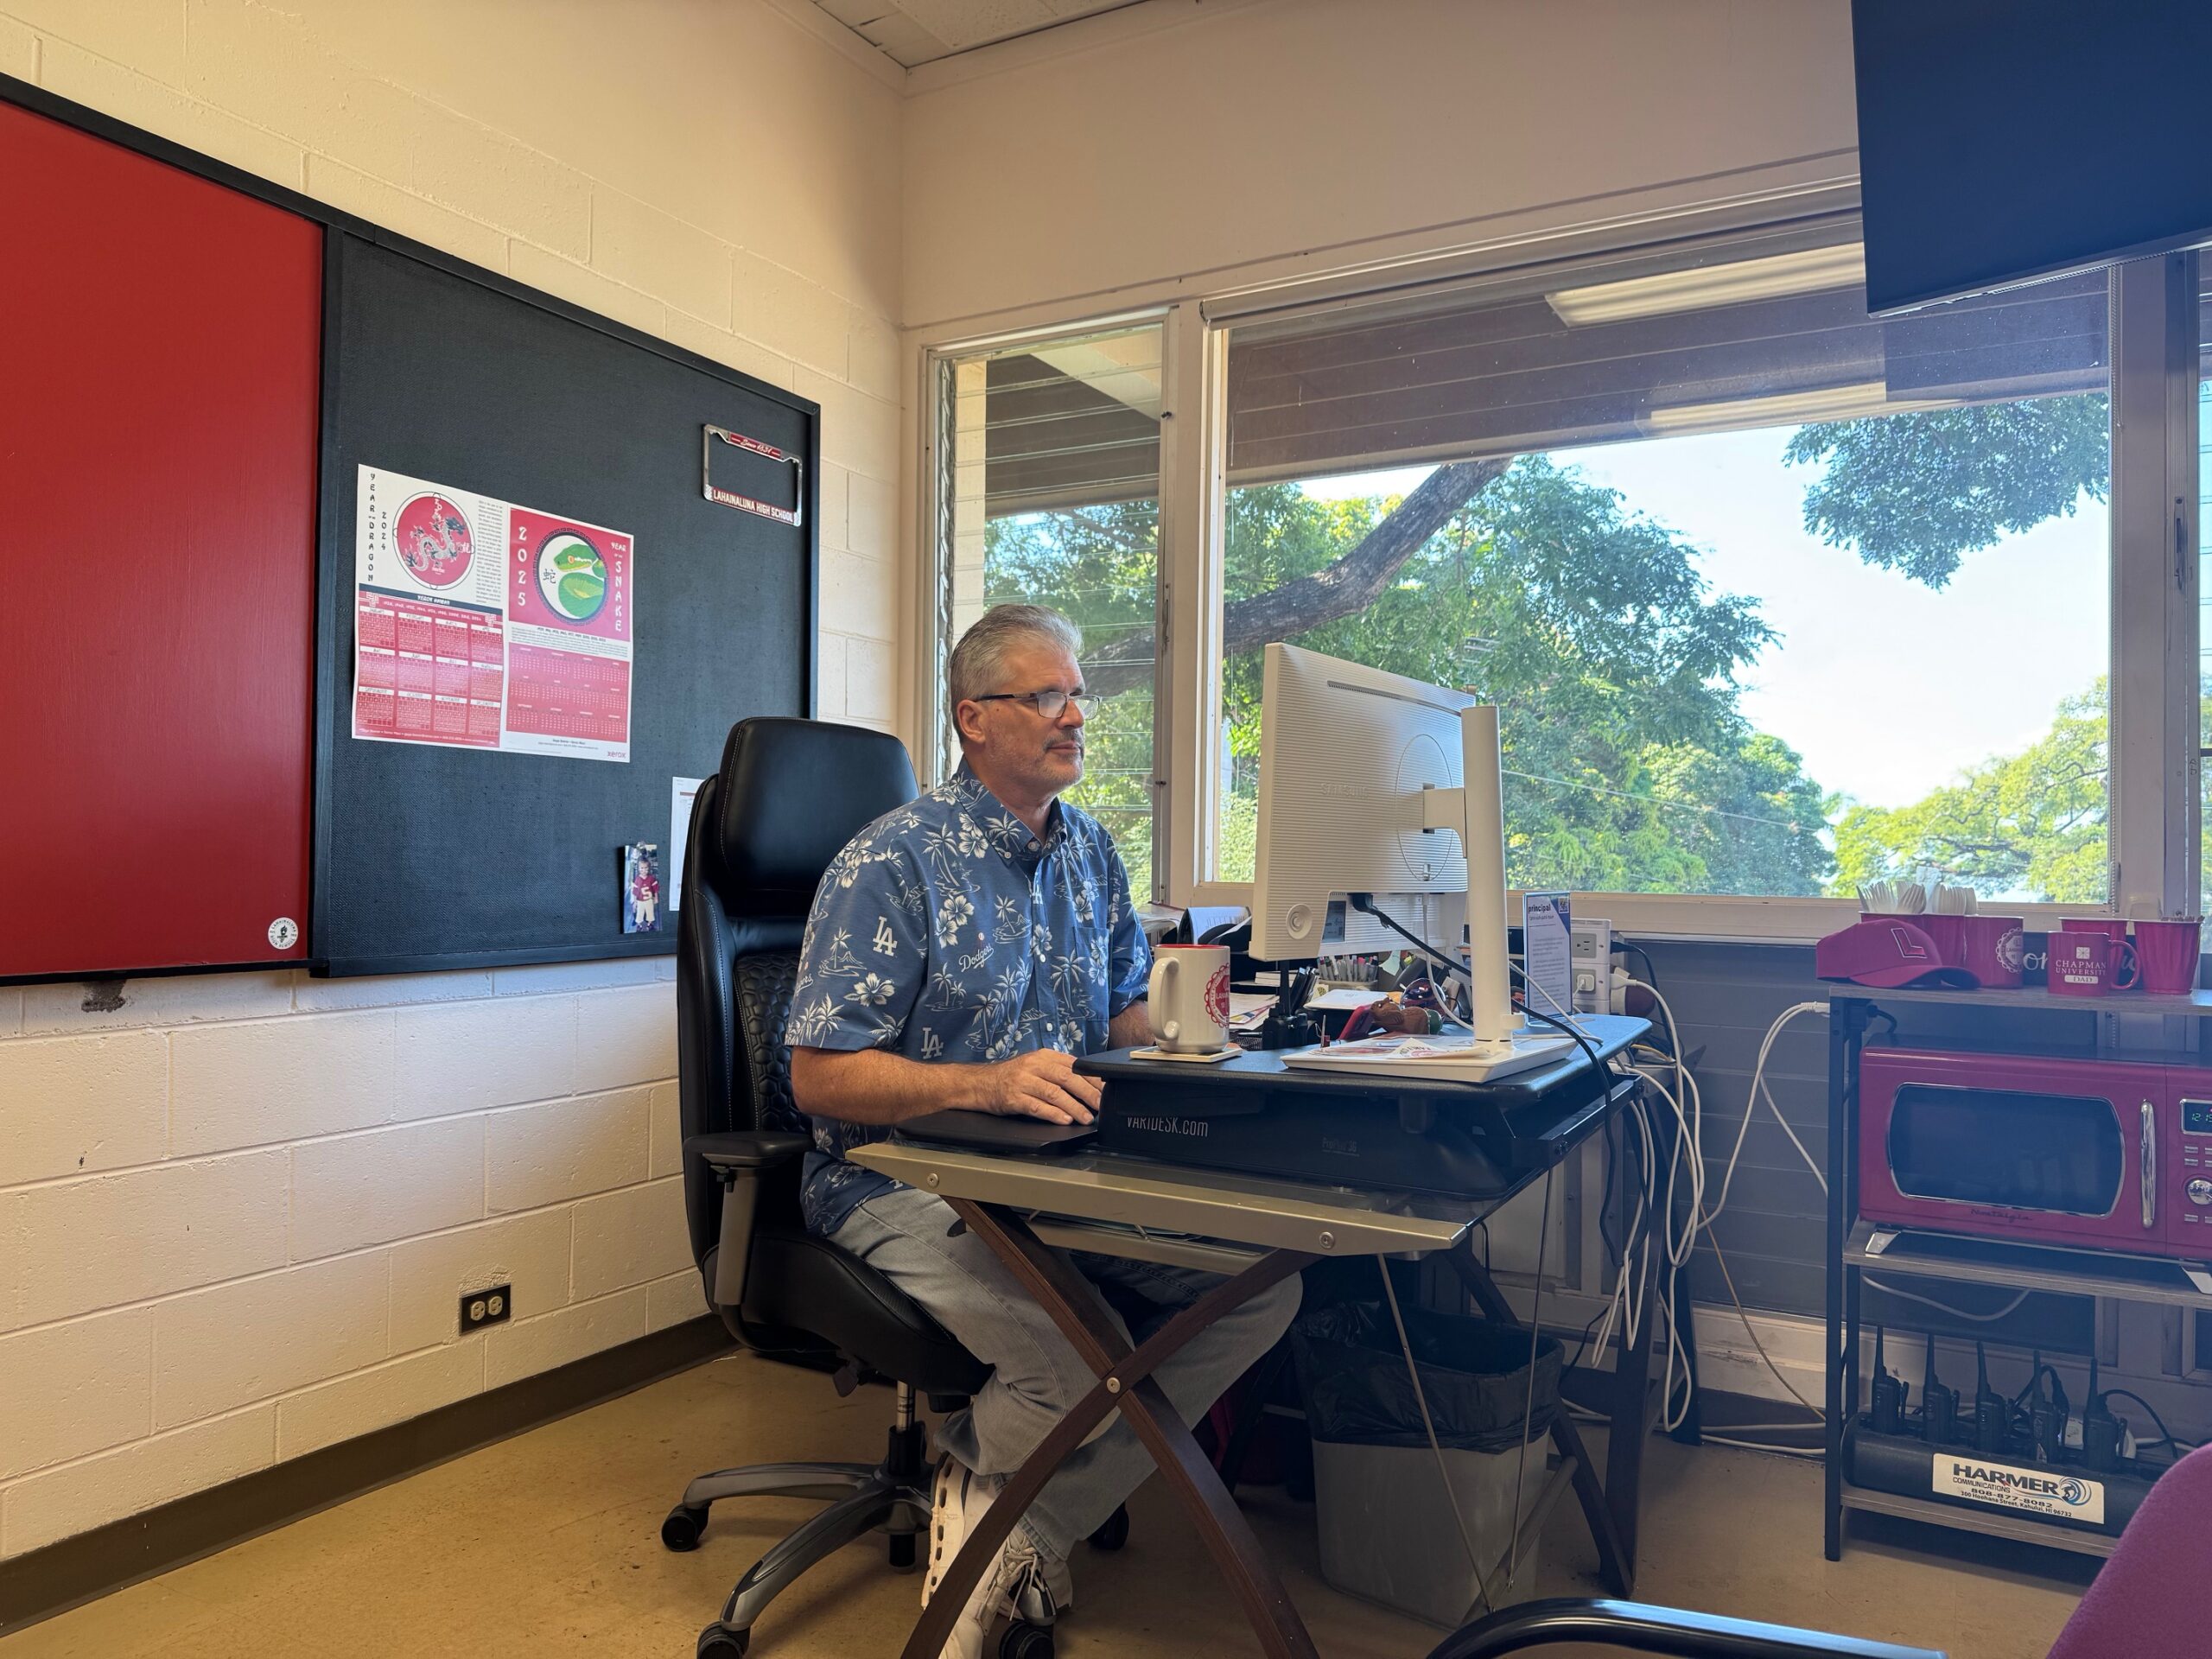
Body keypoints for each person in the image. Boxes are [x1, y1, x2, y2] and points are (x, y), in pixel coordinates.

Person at [785, 603, 1300, 1656]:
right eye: (1048, 695)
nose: (1077, 716)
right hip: (898, 1180)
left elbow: (1121, 1017)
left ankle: (1005, 1521)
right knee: (1073, 1364)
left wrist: (1242, 1037)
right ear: (975, 719)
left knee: (1256, 1294)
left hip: (1064, 1172)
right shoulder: (890, 862)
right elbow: (818, 1076)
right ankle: (1003, 1536)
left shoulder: (1090, 850)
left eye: (1079, 694)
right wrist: (982, 1084)